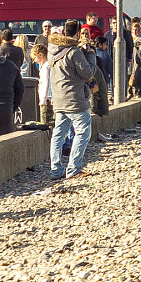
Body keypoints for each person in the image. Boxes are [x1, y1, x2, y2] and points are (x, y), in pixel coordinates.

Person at [46, 25, 100, 181]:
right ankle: (73, 168)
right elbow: (88, 73)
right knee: (83, 131)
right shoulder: (74, 51)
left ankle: (55, 171)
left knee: (58, 134)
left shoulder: (52, 49)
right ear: (77, 34)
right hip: (74, 99)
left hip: (58, 99)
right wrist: (90, 54)